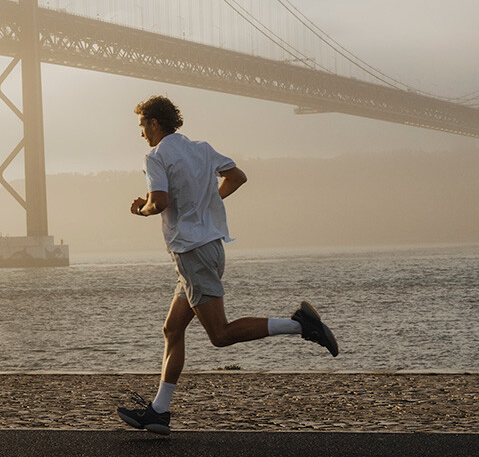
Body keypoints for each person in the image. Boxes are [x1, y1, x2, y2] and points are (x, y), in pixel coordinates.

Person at [118, 95, 338, 436]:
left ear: (155, 124)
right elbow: (237, 176)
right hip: (210, 248)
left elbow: (159, 201)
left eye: (142, 125)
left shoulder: (156, 156)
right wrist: (207, 202)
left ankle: (301, 326)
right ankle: (159, 411)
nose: (141, 132)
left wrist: (140, 209)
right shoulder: (201, 148)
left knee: (219, 335)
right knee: (172, 330)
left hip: (192, 253)